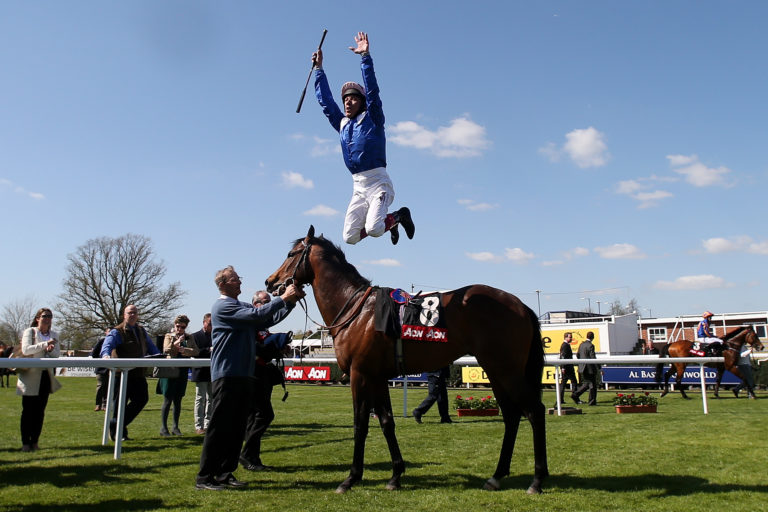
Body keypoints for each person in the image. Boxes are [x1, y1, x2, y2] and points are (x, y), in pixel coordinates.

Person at [196, 266, 304, 491]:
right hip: (227, 375)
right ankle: (205, 477)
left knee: (236, 428)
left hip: (243, 375)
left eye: (239, 279)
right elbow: (259, 315)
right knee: (219, 427)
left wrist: (291, 301)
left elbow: (267, 319)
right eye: (235, 280)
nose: (240, 283)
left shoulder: (239, 306)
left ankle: (225, 473)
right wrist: (283, 296)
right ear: (223, 284)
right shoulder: (223, 306)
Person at [313, 31, 415, 246]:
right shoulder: (342, 124)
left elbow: (373, 92)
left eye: (353, 99)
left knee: (374, 229)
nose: (348, 103)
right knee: (349, 237)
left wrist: (365, 57)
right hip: (358, 186)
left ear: (362, 102)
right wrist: (318, 70)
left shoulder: (373, 118)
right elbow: (326, 103)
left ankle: (399, 216)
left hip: (378, 182)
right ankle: (391, 222)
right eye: (345, 100)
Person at [240, 291, 294, 471]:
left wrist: (279, 348)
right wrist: (274, 344)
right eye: (265, 302)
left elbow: (265, 345)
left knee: (254, 417)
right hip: (253, 372)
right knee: (264, 415)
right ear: (255, 304)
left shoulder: (262, 323)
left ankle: (252, 459)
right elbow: (257, 347)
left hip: (262, 372)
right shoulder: (252, 322)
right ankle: (247, 454)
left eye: (269, 301)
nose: (269, 304)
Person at [101, 304, 161, 441]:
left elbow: (152, 348)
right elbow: (107, 346)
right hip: (121, 374)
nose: (132, 315)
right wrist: (105, 356)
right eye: (130, 313)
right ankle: (119, 433)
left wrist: (160, 357)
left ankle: (116, 424)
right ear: (124, 315)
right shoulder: (117, 331)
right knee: (119, 404)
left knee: (142, 399)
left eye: (135, 312)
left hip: (138, 374)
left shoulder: (141, 330)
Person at [17, 308, 62, 452]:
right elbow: (26, 350)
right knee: (28, 411)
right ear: (38, 318)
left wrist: (50, 349)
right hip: (30, 377)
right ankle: (25, 443)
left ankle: (35, 442)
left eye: (50, 316)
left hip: (45, 376)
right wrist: (44, 345)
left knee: (40, 411)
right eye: (44, 316)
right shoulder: (30, 332)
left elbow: (56, 355)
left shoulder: (54, 335)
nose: (48, 318)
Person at [157, 315, 199, 437]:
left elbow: (196, 351)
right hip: (170, 371)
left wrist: (184, 350)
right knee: (167, 399)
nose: (180, 329)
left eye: (183, 327)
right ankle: (163, 428)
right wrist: (176, 343)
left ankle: (175, 427)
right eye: (178, 326)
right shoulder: (168, 336)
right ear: (174, 325)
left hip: (182, 371)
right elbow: (166, 350)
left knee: (178, 400)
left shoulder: (189, 337)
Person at [191, 313, 213, 435]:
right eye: (210, 323)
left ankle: (208, 424)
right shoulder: (195, 336)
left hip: (212, 371)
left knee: (211, 398)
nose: (211, 326)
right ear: (204, 322)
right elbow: (195, 352)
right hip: (200, 371)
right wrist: (208, 350)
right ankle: (198, 425)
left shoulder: (216, 335)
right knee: (200, 398)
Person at [571, 331, 598, 406]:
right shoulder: (591, 345)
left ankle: (575, 395)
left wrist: (582, 363)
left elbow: (577, 355)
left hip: (582, 367)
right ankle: (592, 401)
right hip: (589, 368)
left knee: (586, 384)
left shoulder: (581, 344)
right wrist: (598, 366)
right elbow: (593, 357)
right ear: (593, 337)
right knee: (592, 384)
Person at [557, 333, 578, 406]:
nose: (571, 338)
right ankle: (575, 397)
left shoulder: (566, 345)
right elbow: (563, 356)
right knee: (573, 382)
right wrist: (563, 367)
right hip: (567, 368)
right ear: (566, 338)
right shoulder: (565, 345)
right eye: (570, 337)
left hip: (567, 367)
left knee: (564, 384)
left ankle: (560, 399)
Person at [90, 330, 109, 411]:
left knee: (108, 387)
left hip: (111, 369)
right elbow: (94, 354)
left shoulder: (116, 341)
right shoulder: (102, 341)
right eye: (109, 332)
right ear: (106, 332)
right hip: (101, 369)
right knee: (100, 386)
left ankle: (105, 405)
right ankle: (98, 404)